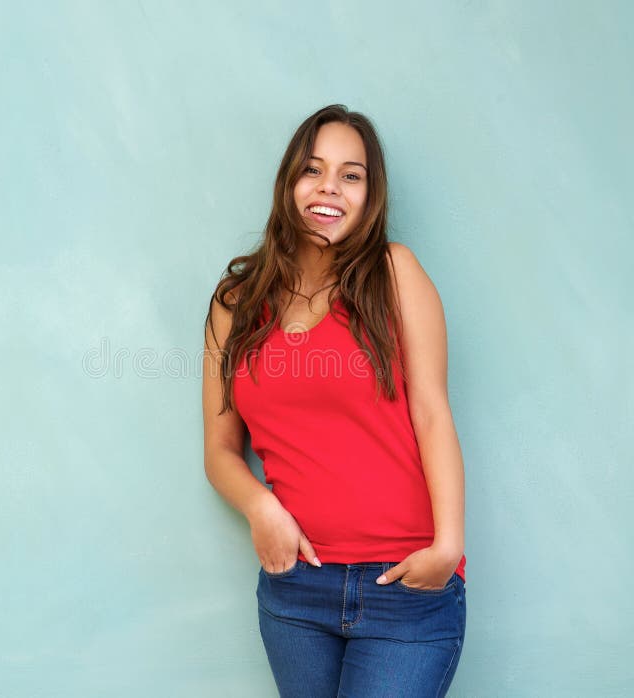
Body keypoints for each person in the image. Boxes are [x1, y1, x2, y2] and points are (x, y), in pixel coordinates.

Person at [201, 104, 468, 697]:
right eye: (313, 170)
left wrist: (448, 546)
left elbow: (432, 412)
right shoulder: (235, 301)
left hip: (406, 589)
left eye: (351, 175)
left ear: (370, 194)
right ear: (289, 181)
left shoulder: (395, 273)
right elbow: (220, 449)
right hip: (296, 588)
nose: (329, 189)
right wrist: (262, 509)